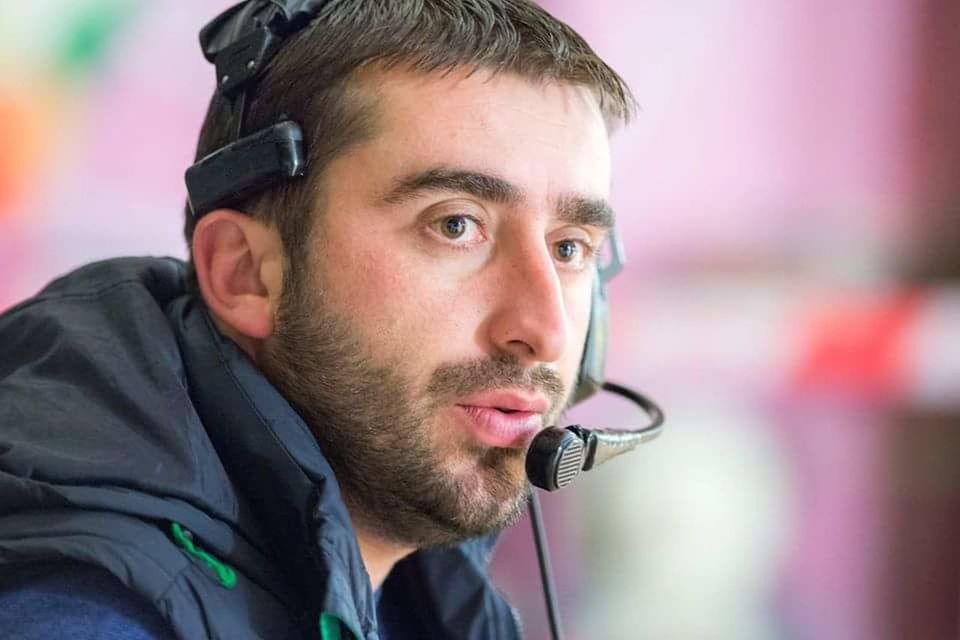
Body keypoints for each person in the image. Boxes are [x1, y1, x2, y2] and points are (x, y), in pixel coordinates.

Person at [0, 1, 635, 638]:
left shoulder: (417, 591)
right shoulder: (82, 617)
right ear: (244, 273)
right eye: (455, 225)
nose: (545, 330)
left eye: (570, 247)